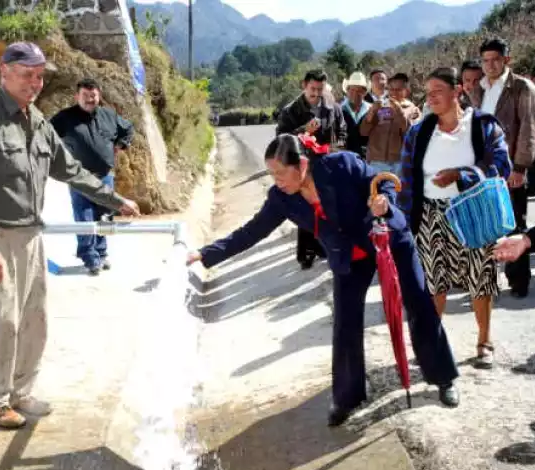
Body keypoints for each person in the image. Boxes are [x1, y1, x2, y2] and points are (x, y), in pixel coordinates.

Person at [186, 134, 461, 426]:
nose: (276, 180)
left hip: (385, 238)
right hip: (349, 257)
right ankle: (347, 397)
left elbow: (383, 182)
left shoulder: (339, 165)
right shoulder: (282, 198)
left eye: (280, 172)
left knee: (418, 301)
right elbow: (252, 231)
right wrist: (204, 254)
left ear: (302, 164)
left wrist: (385, 203)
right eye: (272, 174)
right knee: (345, 323)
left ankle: (443, 377)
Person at [0, 42, 140, 430]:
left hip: (31, 234)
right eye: (27, 75)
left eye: (40, 76)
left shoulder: (36, 121)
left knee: (33, 319)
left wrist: (114, 198)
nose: (35, 83)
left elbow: (70, 169)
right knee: (1, 320)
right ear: (4, 71)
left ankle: (21, 392)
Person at [399, 67, 511, 369]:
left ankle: (484, 341)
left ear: (457, 91)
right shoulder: (418, 132)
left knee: (480, 277)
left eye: (437, 90)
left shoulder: (483, 126)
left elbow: (501, 164)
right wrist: (402, 221)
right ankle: (433, 346)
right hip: (431, 216)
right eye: (428, 92)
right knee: (435, 283)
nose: (431, 97)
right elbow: (407, 179)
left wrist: (461, 176)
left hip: (473, 211)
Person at [470, 37, 535, 298]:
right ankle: (486, 280)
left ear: (506, 60)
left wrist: (520, 167)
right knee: (484, 225)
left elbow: (530, 130)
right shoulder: (478, 89)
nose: (490, 65)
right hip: (482, 169)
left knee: (513, 225)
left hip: (511, 169)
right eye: (485, 60)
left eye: (495, 60)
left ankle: (518, 282)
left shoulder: (522, 88)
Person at [51, 77, 134, 275]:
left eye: (93, 95)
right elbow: (46, 135)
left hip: (105, 177)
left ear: (99, 96)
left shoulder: (109, 115)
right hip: (80, 178)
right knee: (85, 217)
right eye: (86, 96)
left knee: (104, 217)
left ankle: (101, 253)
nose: (90, 99)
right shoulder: (64, 118)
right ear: (76, 96)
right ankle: (89, 257)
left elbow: (128, 129)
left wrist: (121, 144)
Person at [276, 69, 346, 270]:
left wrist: (334, 149)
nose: (316, 93)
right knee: (306, 210)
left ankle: (322, 246)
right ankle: (305, 253)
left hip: (327, 164)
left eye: (320, 89)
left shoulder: (332, 107)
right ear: (304, 86)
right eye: (313, 89)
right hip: (302, 169)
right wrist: (303, 131)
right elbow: (281, 139)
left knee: (325, 208)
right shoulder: (291, 111)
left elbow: (342, 132)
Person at [360, 72, 421, 176]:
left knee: (398, 191)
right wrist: (371, 112)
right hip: (376, 162)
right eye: (391, 89)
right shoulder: (379, 106)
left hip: (400, 163)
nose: (394, 92)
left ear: (406, 91)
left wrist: (399, 111)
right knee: (376, 191)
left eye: (398, 89)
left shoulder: (413, 110)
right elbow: (363, 132)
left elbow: (411, 133)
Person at [341, 71, 371, 158]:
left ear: (365, 93)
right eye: (352, 89)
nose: (355, 93)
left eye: (359, 91)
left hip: (367, 158)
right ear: (347, 90)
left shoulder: (371, 109)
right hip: (345, 157)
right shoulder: (339, 110)